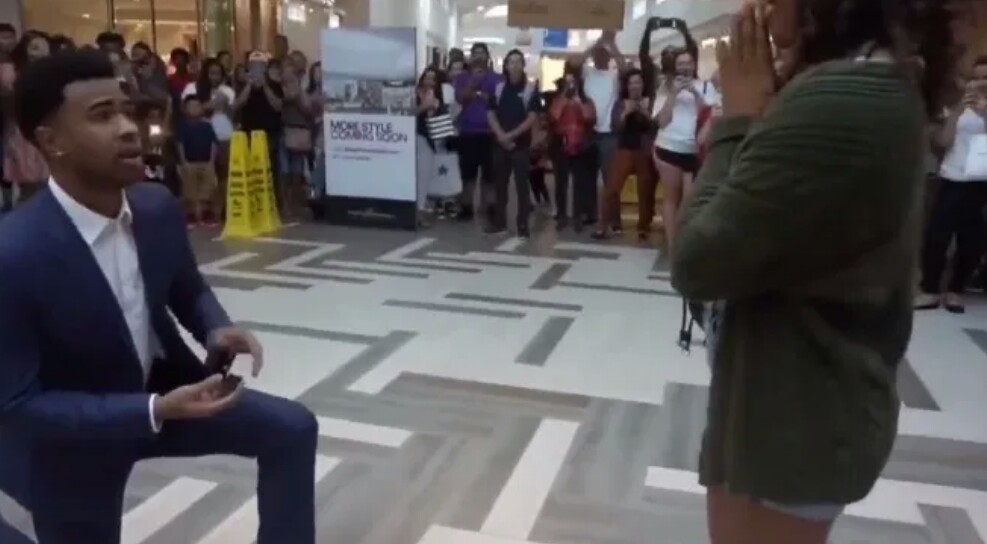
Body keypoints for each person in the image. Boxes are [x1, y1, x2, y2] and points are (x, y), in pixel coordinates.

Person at [0, 49, 317, 544]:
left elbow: (187, 288)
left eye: (128, 112)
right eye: (103, 116)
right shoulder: (14, 253)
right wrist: (150, 410)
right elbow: (19, 404)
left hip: (166, 394)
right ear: (51, 141)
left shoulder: (156, 207)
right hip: (71, 442)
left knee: (292, 428)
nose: (129, 128)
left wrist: (214, 326)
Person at [670, 0, 957, 542]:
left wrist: (737, 120)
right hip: (780, 397)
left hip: (796, 419)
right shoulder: (860, 82)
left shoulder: (846, 97)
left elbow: (696, 260)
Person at [915, 56, 987, 313]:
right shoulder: (958, 106)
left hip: (981, 179)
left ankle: (956, 289)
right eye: (975, 77)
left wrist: (984, 113)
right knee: (937, 234)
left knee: (972, 238)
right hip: (952, 175)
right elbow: (943, 143)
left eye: (985, 78)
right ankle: (930, 289)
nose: (980, 83)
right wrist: (958, 111)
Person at [569, 31, 625, 228]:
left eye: (604, 54)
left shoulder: (614, 76)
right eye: (598, 53)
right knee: (587, 176)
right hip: (588, 132)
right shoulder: (587, 73)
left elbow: (624, 67)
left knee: (611, 178)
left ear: (609, 57)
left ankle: (614, 218)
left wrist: (612, 44)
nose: (601, 56)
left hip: (609, 134)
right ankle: (590, 213)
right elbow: (575, 63)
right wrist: (597, 43)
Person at [594, 68, 656, 240]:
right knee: (612, 188)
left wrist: (644, 112)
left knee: (645, 189)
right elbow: (616, 127)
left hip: (644, 151)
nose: (635, 86)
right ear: (626, 86)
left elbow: (655, 126)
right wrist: (626, 112)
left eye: (638, 82)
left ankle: (643, 226)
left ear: (643, 85)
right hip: (624, 149)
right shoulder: (620, 103)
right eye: (631, 83)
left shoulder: (650, 102)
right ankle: (603, 225)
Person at [486, 49, 541, 238]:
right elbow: (491, 113)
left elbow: (531, 118)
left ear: (523, 65)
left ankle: (522, 224)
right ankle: (499, 222)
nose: (515, 65)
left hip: (521, 146)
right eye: (511, 62)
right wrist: (501, 136)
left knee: (522, 187)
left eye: (518, 62)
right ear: (506, 65)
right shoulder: (499, 88)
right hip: (500, 145)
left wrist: (510, 136)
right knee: (500, 186)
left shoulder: (530, 89)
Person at [183, 58, 235, 221]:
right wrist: (211, 104)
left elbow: (232, 113)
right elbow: (188, 110)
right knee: (202, 177)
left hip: (225, 135)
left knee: (223, 176)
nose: (215, 77)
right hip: (200, 138)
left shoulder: (227, 91)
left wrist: (225, 105)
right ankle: (200, 211)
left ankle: (221, 210)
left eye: (218, 74)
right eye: (212, 73)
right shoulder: (192, 88)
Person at [453, 43, 500, 220]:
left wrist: (483, 96)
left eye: (482, 53)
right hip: (468, 132)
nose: (479, 57)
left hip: (490, 132)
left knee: (490, 175)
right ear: (471, 57)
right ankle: (466, 207)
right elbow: (461, 98)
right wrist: (473, 81)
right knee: (468, 175)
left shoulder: (498, 78)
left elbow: (498, 101)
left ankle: (488, 207)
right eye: (476, 53)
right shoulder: (462, 78)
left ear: (488, 56)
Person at [548, 69, 596, 232]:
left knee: (579, 183)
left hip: (580, 145)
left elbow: (590, 117)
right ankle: (561, 215)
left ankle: (577, 216)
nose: (570, 85)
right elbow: (554, 116)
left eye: (573, 82)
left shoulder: (586, 100)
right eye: (567, 82)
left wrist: (578, 101)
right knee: (561, 182)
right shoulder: (557, 99)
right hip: (560, 145)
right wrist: (564, 98)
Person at [176, 95, 219, 226]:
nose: (194, 109)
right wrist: (184, 162)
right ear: (185, 109)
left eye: (197, 106)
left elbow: (213, 143)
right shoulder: (183, 127)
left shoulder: (207, 126)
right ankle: (190, 216)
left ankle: (207, 214)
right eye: (191, 106)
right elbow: (180, 144)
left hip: (206, 162)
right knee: (189, 190)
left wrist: (212, 161)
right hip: (190, 163)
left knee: (208, 189)